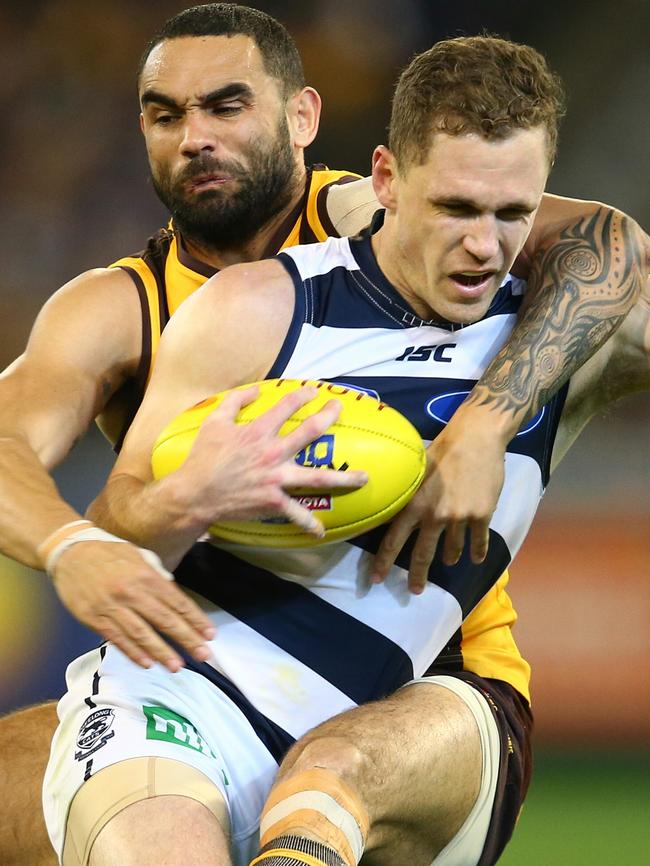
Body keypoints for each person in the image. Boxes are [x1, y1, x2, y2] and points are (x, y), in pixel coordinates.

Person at [0, 5, 645, 866]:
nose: (197, 137)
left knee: (326, 781)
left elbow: (610, 246)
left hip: (438, 674)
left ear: (304, 119)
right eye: (167, 114)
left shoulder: (422, 221)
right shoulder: (153, 308)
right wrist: (81, 542)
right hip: (206, 662)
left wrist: (485, 425)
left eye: (227, 107)